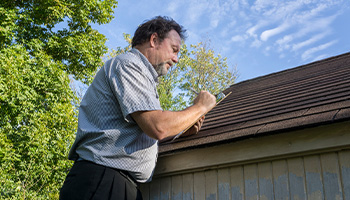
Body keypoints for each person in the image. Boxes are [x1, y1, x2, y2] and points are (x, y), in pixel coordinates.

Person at [59, 16, 216, 200]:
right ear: (154, 40)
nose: (176, 59)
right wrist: (200, 107)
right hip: (102, 182)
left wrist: (181, 132)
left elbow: (140, 134)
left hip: (115, 183)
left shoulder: (140, 75)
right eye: (174, 50)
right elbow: (158, 127)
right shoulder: (128, 64)